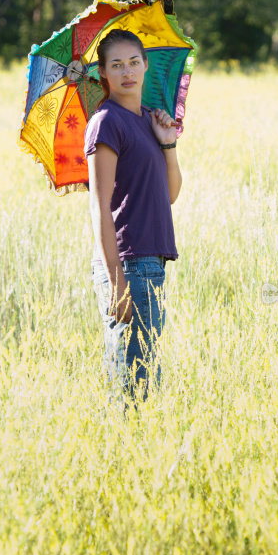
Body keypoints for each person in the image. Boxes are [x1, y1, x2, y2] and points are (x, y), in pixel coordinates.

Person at [84, 28, 182, 401]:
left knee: (145, 378)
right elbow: (99, 205)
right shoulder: (106, 122)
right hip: (127, 263)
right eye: (116, 65)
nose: (127, 71)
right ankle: (121, 454)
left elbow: (169, 194)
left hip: (151, 262)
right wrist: (116, 281)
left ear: (145, 65)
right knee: (132, 386)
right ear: (103, 74)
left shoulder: (146, 119)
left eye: (134, 62)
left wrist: (167, 143)